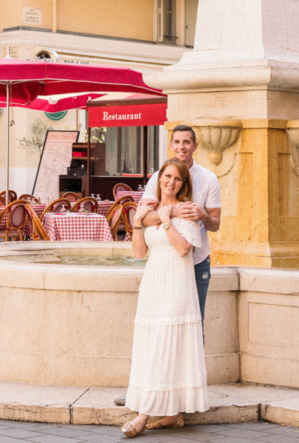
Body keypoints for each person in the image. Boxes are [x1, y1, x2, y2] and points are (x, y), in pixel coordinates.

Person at [116, 125, 221, 409]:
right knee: (155, 329)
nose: (182, 146)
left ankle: (186, 395)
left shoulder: (209, 179)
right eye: (177, 141)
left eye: (187, 142)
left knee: (191, 328)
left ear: (195, 146)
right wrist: (172, 211)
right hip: (161, 267)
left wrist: (199, 214)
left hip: (196, 263)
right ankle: (149, 389)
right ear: (171, 144)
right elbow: (143, 216)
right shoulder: (157, 178)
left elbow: (215, 224)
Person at [122, 158, 208, 437]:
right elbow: (138, 253)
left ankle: (143, 415)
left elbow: (184, 250)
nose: (171, 182)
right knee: (153, 344)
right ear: (159, 179)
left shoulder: (188, 211)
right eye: (167, 176)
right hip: (154, 281)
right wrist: (137, 223)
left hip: (177, 283)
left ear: (184, 184)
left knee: (165, 344)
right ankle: (172, 414)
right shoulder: (150, 210)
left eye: (177, 178)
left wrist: (168, 220)